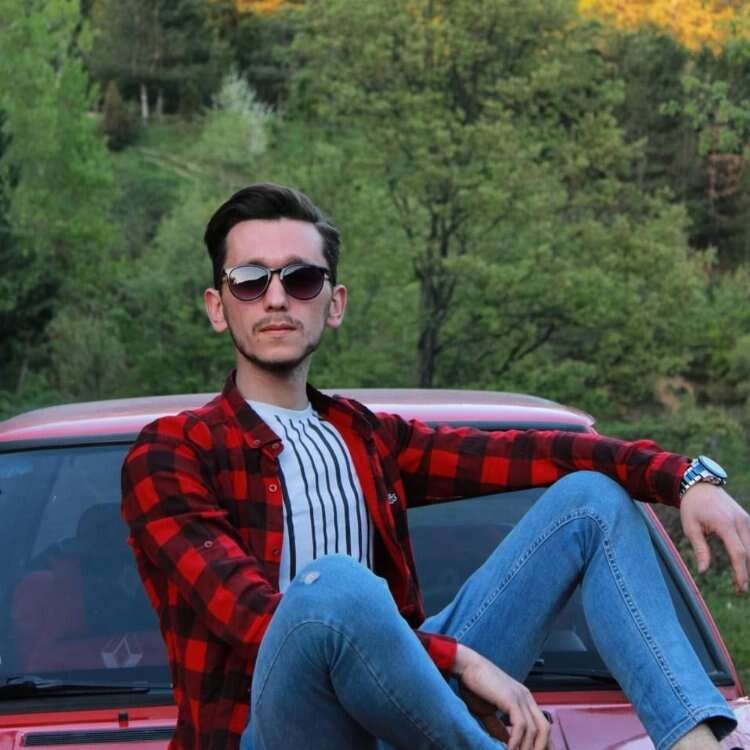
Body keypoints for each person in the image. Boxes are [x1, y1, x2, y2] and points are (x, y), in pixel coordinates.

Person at [121, 183, 749, 750]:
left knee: (591, 500)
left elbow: (538, 451)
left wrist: (684, 478)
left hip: (405, 713)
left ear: (334, 303)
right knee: (334, 585)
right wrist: (459, 660)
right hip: (272, 732)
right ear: (217, 306)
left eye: (302, 279)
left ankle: (695, 745)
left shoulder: (365, 437)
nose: (277, 298)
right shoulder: (173, 452)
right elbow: (254, 620)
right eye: (251, 280)